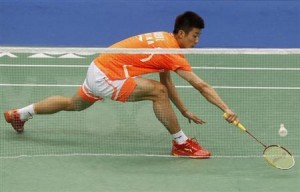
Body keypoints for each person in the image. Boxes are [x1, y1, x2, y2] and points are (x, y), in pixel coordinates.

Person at [4, 11, 239, 159]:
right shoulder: (172, 53)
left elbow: (165, 78)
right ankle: (181, 144)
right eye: (194, 36)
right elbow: (201, 86)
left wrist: (184, 109)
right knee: (157, 93)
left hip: (99, 67)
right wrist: (226, 109)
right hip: (108, 75)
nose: (197, 41)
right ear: (180, 33)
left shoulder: (165, 41)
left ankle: (20, 114)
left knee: (73, 104)